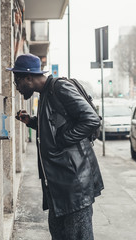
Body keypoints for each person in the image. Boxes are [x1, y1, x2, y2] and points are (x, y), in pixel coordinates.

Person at [7, 53, 104, 240]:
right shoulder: (46, 93)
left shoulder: (60, 88)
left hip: (74, 185)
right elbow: (57, 124)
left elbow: (91, 120)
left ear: (29, 77)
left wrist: (62, 140)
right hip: (59, 186)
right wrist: (32, 122)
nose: (16, 86)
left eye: (17, 80)